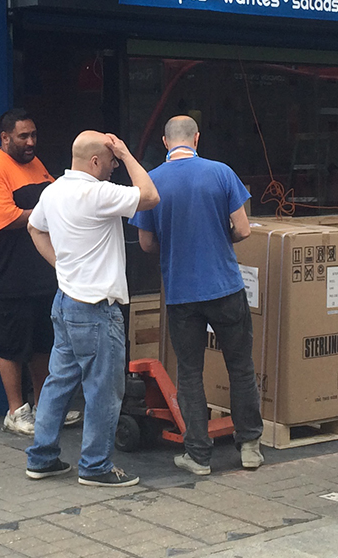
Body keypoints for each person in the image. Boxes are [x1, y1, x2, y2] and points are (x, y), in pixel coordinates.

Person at [131, 115, 264, 475]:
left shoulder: (152, 182)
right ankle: (250, 447)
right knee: (240, 367)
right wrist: (220, 238)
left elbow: (146, 243)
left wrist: (174, 244)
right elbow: (243, 230)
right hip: (225, 287)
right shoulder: (221, 173)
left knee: (190, 373)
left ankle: (198, 456)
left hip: (181, 293)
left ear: (164, 142)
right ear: (196, 139)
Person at [24, 131, 159, 485]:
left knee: (58, 383)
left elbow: (34, 228)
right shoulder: (98, 194)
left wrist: (60, 266)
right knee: (103, 390)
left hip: (66, 301)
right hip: (97, 308)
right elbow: (150, 195)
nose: (115, 167)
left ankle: (41, 458)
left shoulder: (52, 191)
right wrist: (127, 154)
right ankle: (96, 466)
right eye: (111, 161)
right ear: (96, 161)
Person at [0, 108, 77, 436]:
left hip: (41, 276)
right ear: (5, 137)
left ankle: (46, 408)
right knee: (11, 346)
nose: (31, 142)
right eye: (23, 136)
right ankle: (16, 412)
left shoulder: (36, 165)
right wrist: (50, 212)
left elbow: (57, 197)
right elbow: (5, 218)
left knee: (43, 344)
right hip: (6, 277)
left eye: (33, 135)